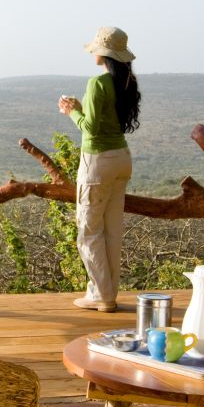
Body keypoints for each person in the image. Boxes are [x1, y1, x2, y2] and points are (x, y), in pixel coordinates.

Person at [57, 27, 141, 312]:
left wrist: (72, 112)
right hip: (122, 159)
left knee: (89, 231)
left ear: (103, 53)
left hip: (98, 163)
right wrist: (82, 108)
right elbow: (105, 121)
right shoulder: (126, 82)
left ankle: (101, 296)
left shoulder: (97, 83)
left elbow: (90, 128)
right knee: (112, 230)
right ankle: (106, 292)